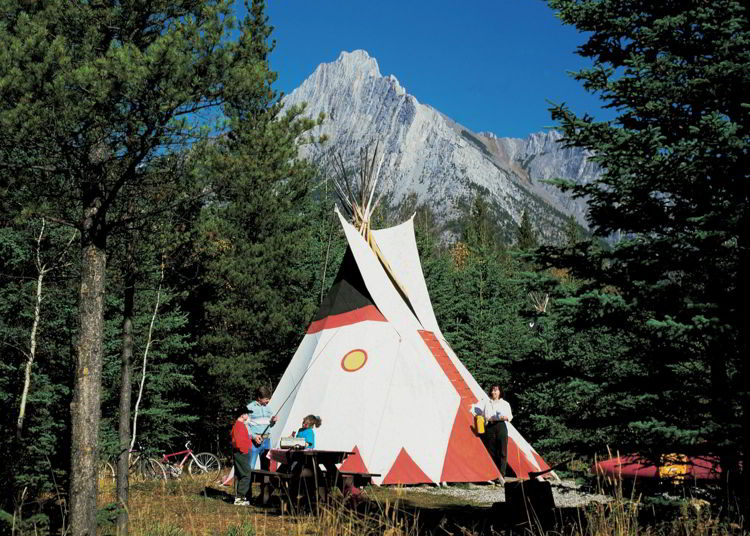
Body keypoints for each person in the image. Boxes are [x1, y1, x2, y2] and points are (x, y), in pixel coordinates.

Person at [480, 384, 512, 479]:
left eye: (496, 390)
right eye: (493, 390)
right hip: (490, 427)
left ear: (500, 392)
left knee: (502, 451)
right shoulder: (487, 403)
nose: (494, 392)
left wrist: (504, 417)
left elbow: (510, 416)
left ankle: (501, 475)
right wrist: (490, 418)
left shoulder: (505, 404)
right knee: (491, 451)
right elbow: (484, 415)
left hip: (501, 426)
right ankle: (492, 475)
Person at [246, 386, 278, 474]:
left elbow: (270, 425)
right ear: (259, 398)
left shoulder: (268, 408)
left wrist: (273, 421)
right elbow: (245, 425)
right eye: (266, 399)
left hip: (267, 441)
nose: (268, 401)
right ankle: (247, 487)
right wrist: (254, 436)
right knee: (250, 467)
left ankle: (265, 487)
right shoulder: (249, 408)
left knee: (266, 468)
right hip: (254, 442)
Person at [230, 409, 253, 506]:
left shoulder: (240, 425)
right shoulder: (238, 425)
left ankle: (241, 497)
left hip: (242, 452)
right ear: (243, 415)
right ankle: (239, 498)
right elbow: (238, 442)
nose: (248, 415)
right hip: (241, 452)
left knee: (241, 474)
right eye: (247, 414)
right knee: (246, 474)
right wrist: (244, 450)